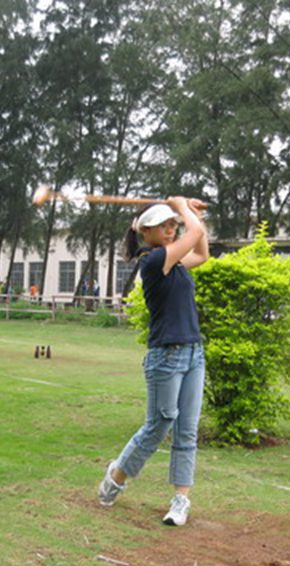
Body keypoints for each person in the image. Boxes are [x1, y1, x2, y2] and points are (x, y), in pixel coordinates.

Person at [98, 196, 209, 526]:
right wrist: (184, 208)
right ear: (146, 232)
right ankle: (117, 475)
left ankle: (180, 501)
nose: (171, 229)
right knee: (158, 426)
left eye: (173, 224)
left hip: (193, 353)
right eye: (164, 225)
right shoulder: (153, 260)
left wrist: (190, 213)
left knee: (187, 431)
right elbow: (194, 233)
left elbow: (202, 252)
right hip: (166, 356)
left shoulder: (175, 262)